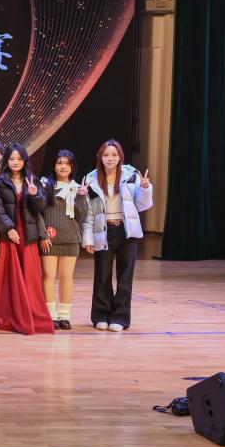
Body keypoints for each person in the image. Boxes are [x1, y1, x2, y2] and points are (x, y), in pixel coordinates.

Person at [81, 140, 153, 332]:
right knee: (102, 276)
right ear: (100, 157)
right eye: (106, 155)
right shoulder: (91, 179)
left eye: (114, 154)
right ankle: (100, 315)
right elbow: (88, 212)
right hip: (103, 231)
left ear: (120, 157)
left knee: (125, 277)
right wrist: (88, 239)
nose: (110, 158)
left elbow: (143, 205)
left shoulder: (131, 175)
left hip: (126, 231)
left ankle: (120, 318)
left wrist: (145, 188)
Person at [0, 144, 54, 335]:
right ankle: (2, 317)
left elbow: (40, 208)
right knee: (4, 279)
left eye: (19, 159)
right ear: (6, 161)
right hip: (7, 235)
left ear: (25, 161)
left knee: (30, 279)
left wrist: (35, 195)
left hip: (28, 236)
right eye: (12, 159)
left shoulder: (33, 180)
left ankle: (30, 315)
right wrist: (8, 228)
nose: (15, 162)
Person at [38, 149, 90, 330]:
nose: (63, 166)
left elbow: (81, 216)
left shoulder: (77, 188)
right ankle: (50, 315)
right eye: (59, 162)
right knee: (48, 277)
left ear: (72, 167)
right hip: (49, 239)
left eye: (67, 163)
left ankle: (64, 316)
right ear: (54, 165)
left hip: (71, 238)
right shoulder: (45, 185)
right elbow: (37, 212)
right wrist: (43, 234)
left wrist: (81, 197)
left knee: (67, 277)